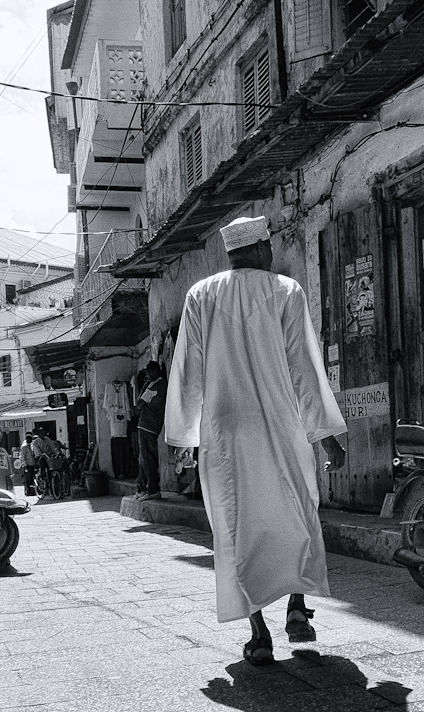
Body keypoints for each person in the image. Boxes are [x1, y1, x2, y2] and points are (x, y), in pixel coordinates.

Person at [165, 214, 347, 666]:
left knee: (236, 526)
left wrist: (185, 439)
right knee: (296, 511)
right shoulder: (285, 291)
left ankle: (259, 634)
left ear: (230, 253)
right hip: (281, 424)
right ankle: (298, 609)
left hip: (224, 432)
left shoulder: (200, 295)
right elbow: (304, 367)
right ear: (263, 248)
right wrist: (326, 436)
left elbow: (188, 372)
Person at [135, 361, 167, 500]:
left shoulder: (154, 385)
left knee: (147, 459)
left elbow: (139, 404)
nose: (148, 376)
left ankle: (152, 489)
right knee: (144, 458)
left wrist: (144, 386)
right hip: (155, 425)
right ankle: (141, 488)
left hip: (146, 424)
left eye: (148, 374)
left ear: (152, 372)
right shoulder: (165, 384)